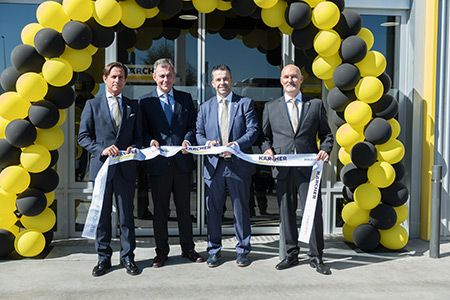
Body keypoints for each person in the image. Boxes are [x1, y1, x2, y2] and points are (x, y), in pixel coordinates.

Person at [261, 64, 334, 275]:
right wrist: (267, 150)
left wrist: (325, 150)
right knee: (286, 213)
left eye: (294, 77)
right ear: (281, 80)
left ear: (301, 79)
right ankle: (291, 255)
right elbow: (264, 137)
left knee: (313, 212)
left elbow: (327, 135)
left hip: (308, 170)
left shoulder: (315, 105)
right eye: (286, 77)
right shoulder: (270, 107)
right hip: (282, 170)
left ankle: (317, 257)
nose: (290, 80)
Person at [78, 62, 142, 276]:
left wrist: (135, 147)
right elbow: (83, 138)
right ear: (104, 79)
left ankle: (128, 258)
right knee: (102, 217)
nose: (117, 80)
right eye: (113, 76)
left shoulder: (134, 106)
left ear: (125, 80)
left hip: (125, 170)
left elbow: (139, 137)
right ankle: (103, 259)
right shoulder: (92, 105)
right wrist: (102, 149)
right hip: (102, 170)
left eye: (121, 77)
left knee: (126, 217)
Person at [139, 58, 203, 268]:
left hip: (182, 162)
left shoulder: (185, 99)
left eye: (169, 75)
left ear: (174, 76)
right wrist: (150, 141)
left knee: (184, 209)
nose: (165, 79)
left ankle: (188, 248)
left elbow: (192, 126)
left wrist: (188, 139)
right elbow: (143, 130)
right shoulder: (145, 102)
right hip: (159, 164)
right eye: (162, 75)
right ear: (154, 77)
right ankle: (161, 252)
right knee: (160, 211)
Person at [196, 65, 259, 267]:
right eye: (218, 79)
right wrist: (207, 144)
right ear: (212, 83)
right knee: (213, 211)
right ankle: (214, 250)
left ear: (232, 81)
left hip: (238, 164)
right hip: (214, 166)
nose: (222, 83)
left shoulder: (245, 104)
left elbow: (253, 130)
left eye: (226, 79)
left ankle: (243, 250)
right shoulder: (205, 107)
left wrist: (237, 145)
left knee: (240, 210)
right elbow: (198, 134)